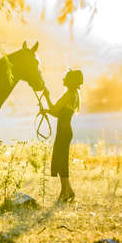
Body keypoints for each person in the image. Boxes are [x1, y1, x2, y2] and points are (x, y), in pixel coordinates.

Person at [42, 69, 83, 202]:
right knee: (61, 161)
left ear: (70, 80)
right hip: (65, 131)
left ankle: (65, 192)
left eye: (65, 77)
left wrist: (47, 96)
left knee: (61, 162)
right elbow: (57, 113)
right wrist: (47, 111)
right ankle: (68, 191)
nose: (63, 79)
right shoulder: (74, 94)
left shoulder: (68, 94)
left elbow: (54, 110)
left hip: (63, 132)